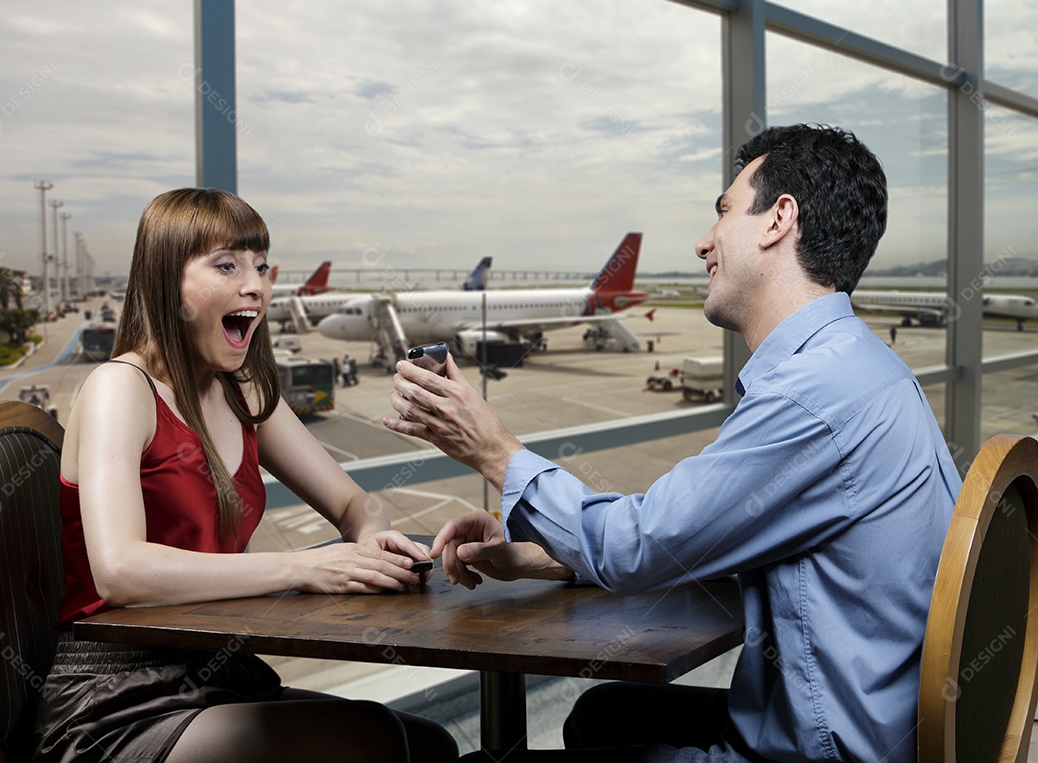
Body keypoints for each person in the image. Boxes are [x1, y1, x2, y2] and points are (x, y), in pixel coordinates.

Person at [384, 125, 962, 762]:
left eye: (723, 213)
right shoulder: (862, 367)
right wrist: (545, 555)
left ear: (779, 220)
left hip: (822, 748)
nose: (703, 243)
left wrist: (493, 451)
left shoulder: (810, 396)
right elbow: (702, 534)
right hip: (869, 724)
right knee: (605, 712)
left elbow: (639, 548)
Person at [33, 189, 459, 763]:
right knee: (373, 738)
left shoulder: (244, 392)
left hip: (220, 672)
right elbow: (120, 571)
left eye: (261, 266)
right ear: (166, 282)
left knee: (430, 745)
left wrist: (369, 545)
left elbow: (355, 506)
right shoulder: (119, 388)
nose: (256, 285)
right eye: (227, 265)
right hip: (116, 696)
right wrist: (305, 567)